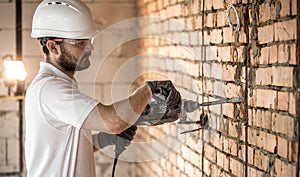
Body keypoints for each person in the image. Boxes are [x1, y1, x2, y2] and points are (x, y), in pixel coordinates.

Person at [24, 0, 181, 177]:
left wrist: (107, 139)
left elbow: (70, 147)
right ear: (53, 47)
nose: (91, 47)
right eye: (80, 42)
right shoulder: (50, 89)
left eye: (89, 39)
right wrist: (150, 88)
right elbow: (114, 121)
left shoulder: (58, 86)